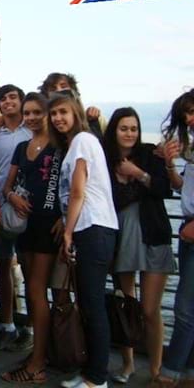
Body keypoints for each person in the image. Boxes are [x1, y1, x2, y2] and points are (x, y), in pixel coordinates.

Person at [48, 92, 118, 388]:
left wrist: (67, 232)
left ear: (76, 111)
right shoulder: (77, 144)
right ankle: (92, 372)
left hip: (92, 228)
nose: (58, 118)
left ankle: (97, 378)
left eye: (63, 112)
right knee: (89, 304)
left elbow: (78, 192)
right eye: (54, 114)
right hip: (91, 229)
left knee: (92, 304)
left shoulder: (82, 142)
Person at [101, 107, 176, 383]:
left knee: (149, 309)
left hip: (153, 235)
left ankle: (156, 369)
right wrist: (124, 179)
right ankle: (128, 363)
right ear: (114, 131)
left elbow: (164, 189)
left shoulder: (149, 153)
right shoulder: (106, 161)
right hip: (121, 238)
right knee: (126, 306)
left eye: (133, 128)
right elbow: (109, 199)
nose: (130, 133)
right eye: (124, 128)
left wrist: (138, 173)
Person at [0, 93, 62, 384]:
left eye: (38, 112)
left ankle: (38, 362)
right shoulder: (23, 147)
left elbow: (73, 185)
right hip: (25, 226)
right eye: (28, 113)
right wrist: (12, 197)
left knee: (37, 291)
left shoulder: (61, 146)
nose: (32, 117)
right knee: (32, 292)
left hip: (49, 228)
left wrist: (65, 219)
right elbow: (7, 185)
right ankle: (39, 353)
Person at [151, 89, 194, 387]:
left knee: (184, 309)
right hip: (189, 228)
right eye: (185, 115)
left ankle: (170, 373)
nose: (189, 119)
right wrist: (168, 164)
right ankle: (188, 373)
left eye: (192, 112)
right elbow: (181, 187)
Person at [0, 84, 32, 352]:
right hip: (0, 210)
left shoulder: (34, 130)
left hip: (28, 210)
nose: (8, 103)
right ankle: (7, 325)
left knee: (31, 272)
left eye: (12, 97)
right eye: (2, 99)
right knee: (1, 268)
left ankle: (30, 327)